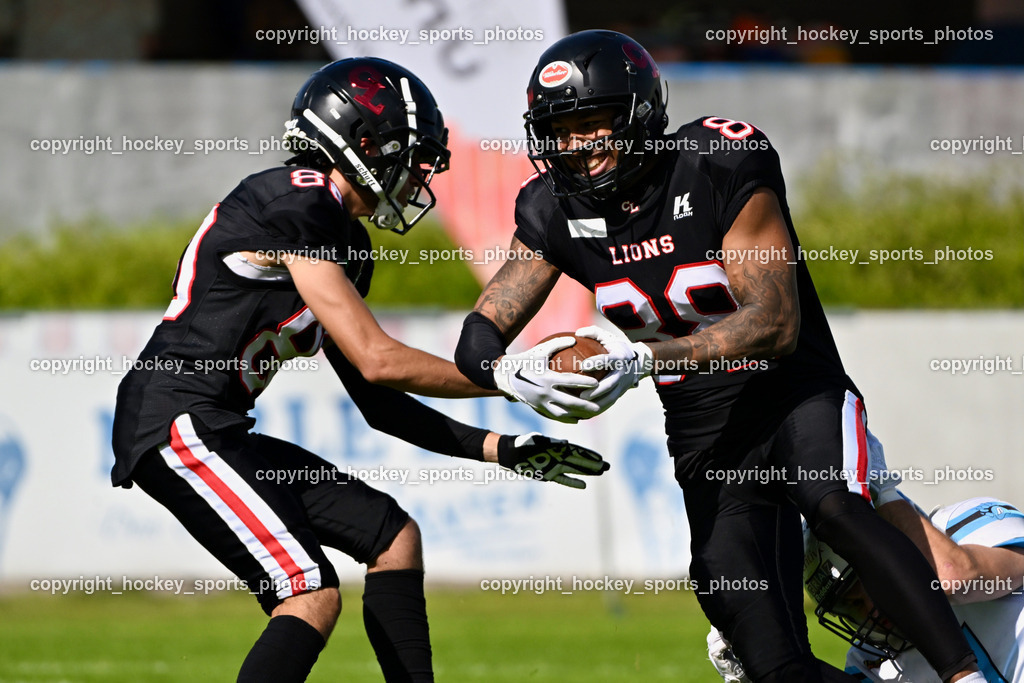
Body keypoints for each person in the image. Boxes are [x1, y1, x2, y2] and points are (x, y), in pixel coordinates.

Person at [454, 29, 983, 682]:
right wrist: (505, 372)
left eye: (591, 124)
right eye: (559, 131)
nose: (575, 147)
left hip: (791, 389)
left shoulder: (716, 159)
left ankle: (966, 675)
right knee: (768, 659)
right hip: (705, 432)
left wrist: (646, 356)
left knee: (830, 500)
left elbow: (775, 322)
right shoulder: (552, 210)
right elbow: (482, 329)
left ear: (639, 113)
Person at [110, 57, 609, 683]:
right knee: (308, 594)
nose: (419, 175)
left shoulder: (344, 238)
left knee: (394, 537)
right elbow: (380, 358)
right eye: (413, 155)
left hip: (218, 426)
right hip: (176, 422)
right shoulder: (297, 198)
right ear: (365, 141)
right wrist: (507, 375)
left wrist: (501, 448)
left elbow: (378, 398)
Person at [709, 437, 1024, 682]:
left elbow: (952, 577)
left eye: (869, 586)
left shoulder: (964, 526)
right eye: (851, 605)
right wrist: (762, 666)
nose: (872, 614)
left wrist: (884, 492)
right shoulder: (870, 662)